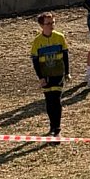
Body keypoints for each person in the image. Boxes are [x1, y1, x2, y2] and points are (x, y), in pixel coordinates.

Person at [30, 12, 70, 144]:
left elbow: (65, 56)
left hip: (58, 73)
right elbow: (35, 62)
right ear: (41, 25)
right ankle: (52, 126)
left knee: (57, 99)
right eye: (48, 23)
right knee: (49, 100)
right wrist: (40, 77)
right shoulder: (37, 42)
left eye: (53, 22)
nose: (51, 26)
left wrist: (67, 72)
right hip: (46, 75)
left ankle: (57, 128)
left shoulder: (60, 37)